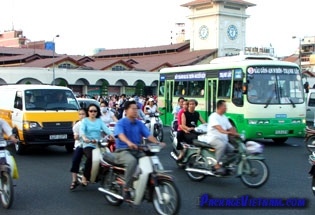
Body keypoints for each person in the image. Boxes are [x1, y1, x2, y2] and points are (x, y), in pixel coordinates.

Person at [114, 100, 165, 202]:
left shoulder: (139, 123)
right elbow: (120, 135)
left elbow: (148, 135)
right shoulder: (121, 123)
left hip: (137, 149)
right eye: (133, 109)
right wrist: (129, 142)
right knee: (132, 162)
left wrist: (157, 142)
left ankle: (146, 184)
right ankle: (126, 188)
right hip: (123, 150)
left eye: (136, 108)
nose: (135, 111)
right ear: (126, 110)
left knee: (151, 161)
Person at [198, 100, 239, 175]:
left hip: (223, 139)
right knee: (221, 146)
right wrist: (227, 132)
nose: (226, 108)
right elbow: (219, 128)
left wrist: (237, 134)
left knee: (233, 150)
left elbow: (230, 128)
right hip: (214, 138)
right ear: (220, 107)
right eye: (224, 106)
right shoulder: (213, 116)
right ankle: (217, 165)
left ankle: (224, 164)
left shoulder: (224, 117)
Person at [80, 104, 114, 186]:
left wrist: (113, 135)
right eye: (91, 111)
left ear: (97, 112)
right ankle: (85, 176)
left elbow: (106, 129)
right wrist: (84, 138)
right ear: (88, 112)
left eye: (95, 111)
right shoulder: (85, 121)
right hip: (88, 144)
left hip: (99, 144)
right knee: (91, 157)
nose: (93, 112)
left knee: (108, 157)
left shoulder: (99, 121)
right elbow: (82, 131)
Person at [69, 108, 87, 190]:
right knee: (76, 159)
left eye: (83, 114)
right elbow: (75, 136)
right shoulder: (77, 125)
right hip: (80, 145)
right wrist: (76, 136)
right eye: (80, 114)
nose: (81, 116)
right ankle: (74, 180)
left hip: (91, 145)